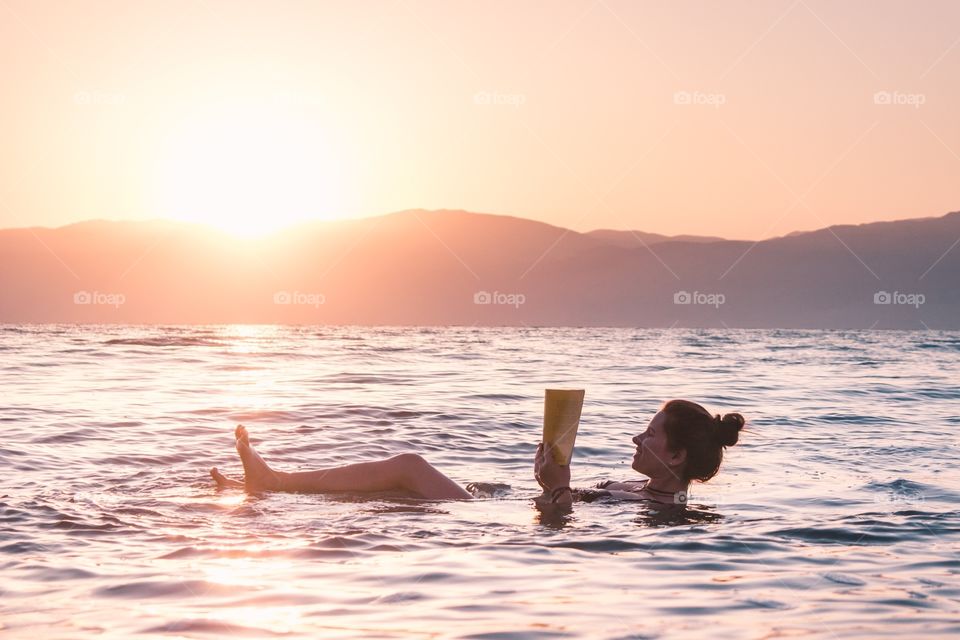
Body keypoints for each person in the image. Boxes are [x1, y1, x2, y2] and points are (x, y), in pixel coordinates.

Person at [210, 399, 745, 508]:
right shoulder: (641, 491)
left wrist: (555, 488)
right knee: (392, 495)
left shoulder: (660, 510)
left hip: (494, 525)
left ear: (675, 458)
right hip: (495, 504)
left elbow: (557, 526)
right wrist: (544, 479)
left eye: (649, 435)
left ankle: (274, 481)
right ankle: (276, 485)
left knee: (408, 466)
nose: (636, 439)